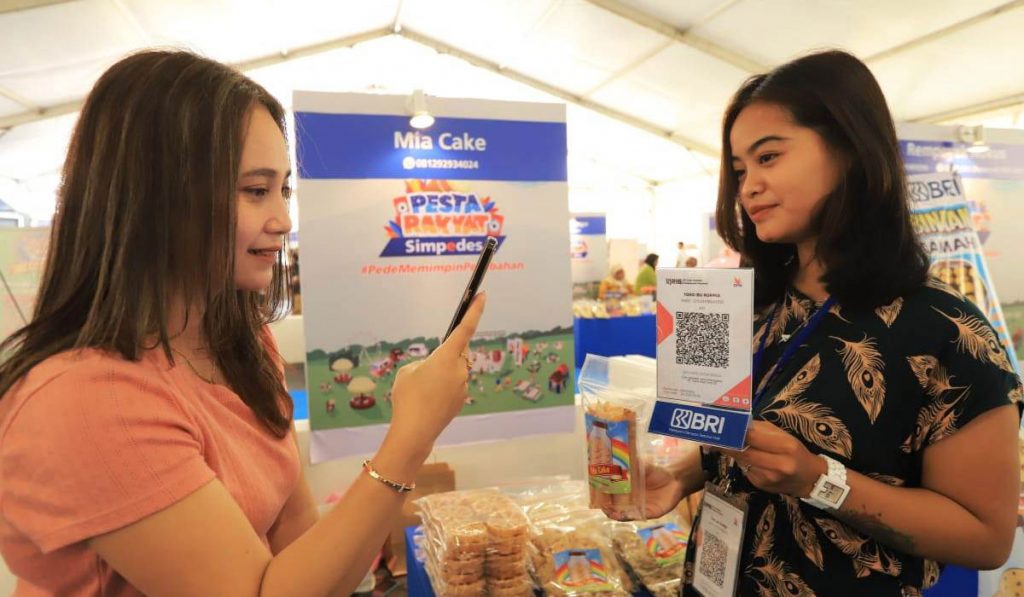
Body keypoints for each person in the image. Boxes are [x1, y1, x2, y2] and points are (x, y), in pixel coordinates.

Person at [0, 50, 485, 595]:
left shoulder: (240, 342)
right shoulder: (87, 399)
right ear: (156, 197)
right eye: (256, 191)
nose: (282, 220)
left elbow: (300, 545)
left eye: (284, 190)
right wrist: (412, 435)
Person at [628, 50, 1023, 596]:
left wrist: (820, 481)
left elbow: (986, 538)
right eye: (740, 170)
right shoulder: (748, 303)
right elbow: (735, 436)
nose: (748, 186)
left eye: (768, 157)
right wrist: (678, 477)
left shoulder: (947, 330)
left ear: (850, 149)